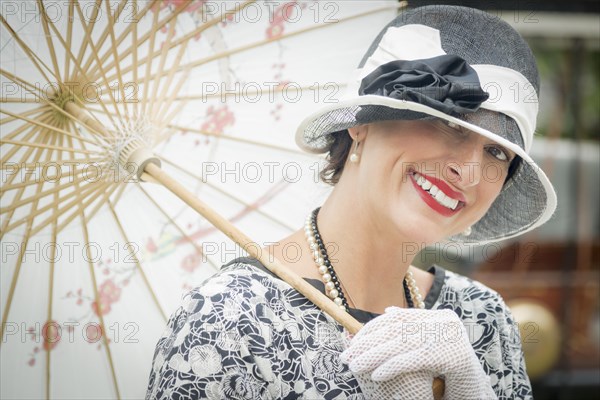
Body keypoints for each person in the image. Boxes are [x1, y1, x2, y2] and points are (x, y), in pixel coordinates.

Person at [146, 5, 556, 399]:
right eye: (449, 123)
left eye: (497, 153)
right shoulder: (229, 321)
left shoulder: (483, 321)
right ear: (362, 122)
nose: (469, 172)